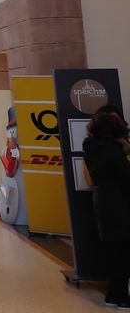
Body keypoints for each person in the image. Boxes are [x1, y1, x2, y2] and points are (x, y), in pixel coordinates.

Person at [82, 110, 130, 308]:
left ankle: (112, 295)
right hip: (119, 202)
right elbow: (126, 177)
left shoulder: (93, 148)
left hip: (103, 200)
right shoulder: (112, 150)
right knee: (124, 250)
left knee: (114, 250)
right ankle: (122, 297)